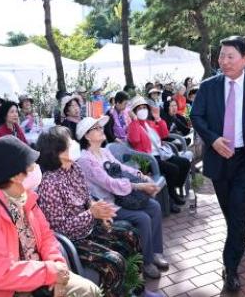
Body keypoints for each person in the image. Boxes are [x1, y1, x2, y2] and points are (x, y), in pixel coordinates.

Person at [0, 135, 100, 297]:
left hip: (39, 272)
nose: (35, 168)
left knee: (90, 291)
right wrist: (50, 272)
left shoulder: (25, 198)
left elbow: (47, 236)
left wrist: (58, 267)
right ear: (15, 176)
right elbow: (0, 274)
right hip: (5, 289)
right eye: (31, 164)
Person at [190, 36, 245, 292]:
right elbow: (196, 115)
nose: (223, 61)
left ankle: (231, 268)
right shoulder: (208, 86)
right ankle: (236, 243)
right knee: (231, 214)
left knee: (238, 215)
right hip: (220, 158)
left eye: (230, 57)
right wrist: (213, 140)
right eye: (221, 56)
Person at [36, 126, 141, 296]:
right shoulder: (49, 183)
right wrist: (92, 214)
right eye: (69, 142)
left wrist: (101, 212)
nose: (75, 144)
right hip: (73, 240)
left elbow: (87, 199)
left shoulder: (74, 168)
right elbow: (59, 227)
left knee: (131, 234)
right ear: (57, 151)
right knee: (113, 262)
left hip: (90, 227)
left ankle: (134, 288)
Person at [76, 117, 168, 283]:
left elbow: (122, 166)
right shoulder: (85, 160)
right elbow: (108, 183)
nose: (101, 129)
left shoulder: (104, 151)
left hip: (121, 198)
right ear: (87, 136)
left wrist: (140, 175)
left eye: (99, 126)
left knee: (154, 206)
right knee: (143, 218)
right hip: (108, 205)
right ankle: (146, 263)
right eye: (96, 128)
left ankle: (155, 253)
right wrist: (139, 186)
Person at [127, 96, 191, 214]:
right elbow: (135, 140)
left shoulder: (149, 123)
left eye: (144, 107)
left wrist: (158, 118)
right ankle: (171, 198)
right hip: (147, 159)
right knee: (173, 169)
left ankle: (172, 190)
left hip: (161, 154)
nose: (143, 110)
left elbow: (164, 134)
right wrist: (135, 120)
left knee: (185, 163)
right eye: (139, 108)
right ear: (134, 112)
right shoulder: (133, 126)